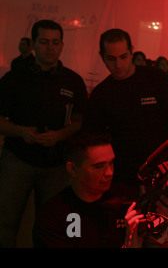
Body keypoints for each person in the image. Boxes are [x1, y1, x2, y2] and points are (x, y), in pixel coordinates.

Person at [0, 19, 88, 247]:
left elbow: (80, 120)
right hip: (17, 160)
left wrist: (60, 135)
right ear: (34, 44)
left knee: (51, 224)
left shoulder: (73, 81)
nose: (50, 47)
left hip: (57, 165)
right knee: (5, 222)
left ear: (62, 45)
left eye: (55, 42)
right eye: (44, 42)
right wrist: (21, 132)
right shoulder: (14, 78)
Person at [33, 131, 168, 248]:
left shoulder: (129, 200)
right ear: (73, 169)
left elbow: (160, 245)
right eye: (99, 166)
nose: (109, 173)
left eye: (111, 163)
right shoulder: (52, 217)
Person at [83, 28, 168, 195]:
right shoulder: (101, 94)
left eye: (123, 57)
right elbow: (92, 138)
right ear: (102, 56)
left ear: (131, 52)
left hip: (160, 172)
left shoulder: (158, 79)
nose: (118, 65)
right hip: (120, 177)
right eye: (111, 59)